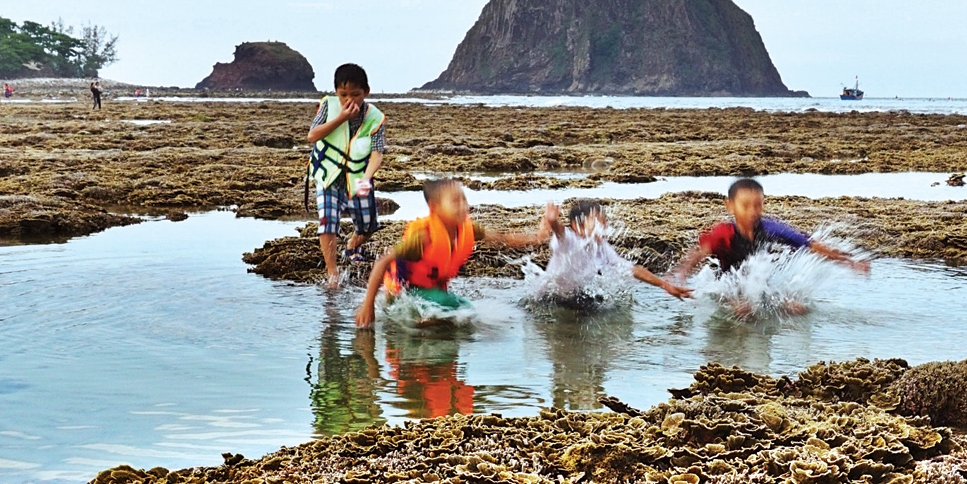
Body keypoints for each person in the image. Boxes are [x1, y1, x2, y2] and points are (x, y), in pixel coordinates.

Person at [355, 178, 550, 328]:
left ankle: (429, 325)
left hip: (431, 294)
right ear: (435, 207)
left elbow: (502, 238)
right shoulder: (424, 237)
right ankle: (418, 328)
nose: (463, 206)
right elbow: (382, 262)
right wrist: (368, 305)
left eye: (464, 199)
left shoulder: (466, 229)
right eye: (455, 201)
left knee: (462, 311)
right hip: (404, 296)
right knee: (458, 312)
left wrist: (538, 236)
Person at [670, 177, 869, 316]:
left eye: (758, 205)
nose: (753, 211)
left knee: (798, 309)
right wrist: (681, 273)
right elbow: (700, 253)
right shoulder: (724, 233)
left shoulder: (770, 228)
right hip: (725, 288)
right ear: (729, 205)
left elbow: (811, 246)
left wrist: (849, 261)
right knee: (744, 310)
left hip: (759, 287)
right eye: (745, 205)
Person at [307, 63, 385, 287]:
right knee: (328, 222)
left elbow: (377, 154)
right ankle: (333, 274)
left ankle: (351, 247)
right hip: (329, 177)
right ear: (335, 92)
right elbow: (312, 136)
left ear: (366, 92)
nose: (349, 99)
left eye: (355, 94)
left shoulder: (375, 118)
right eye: (343, 95)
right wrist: (341, 117)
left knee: (368, 226)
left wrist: (367, 178)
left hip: (357, 179)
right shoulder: (328, 107)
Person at [540, 199, 692, 303]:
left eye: (604, 222)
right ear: (576, 225)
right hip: (550, 298)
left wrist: (665, 285)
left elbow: (632, 269)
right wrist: (553, 221)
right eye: (597, 222)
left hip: (576, 296)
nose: (603, 227)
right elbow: (560, 232)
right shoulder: (569, 240)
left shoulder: (601, 247)